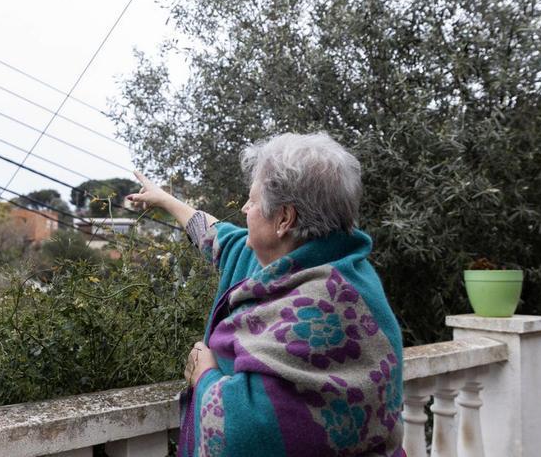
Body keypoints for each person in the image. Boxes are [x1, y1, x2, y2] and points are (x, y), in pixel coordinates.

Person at [127, 132, 405, 457]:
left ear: (284, 218)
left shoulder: (322, 303)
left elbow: (247, 435)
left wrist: (203, 376)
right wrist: (165, 200)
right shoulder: (325, 265)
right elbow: (221, 239)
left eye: (253, 201)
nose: (245, 207)